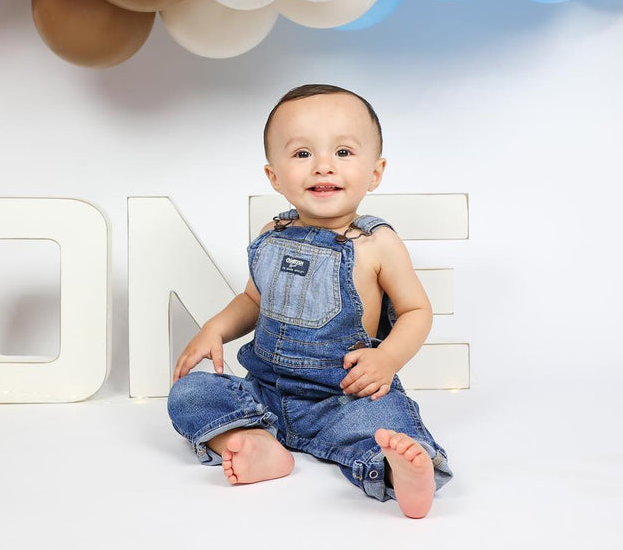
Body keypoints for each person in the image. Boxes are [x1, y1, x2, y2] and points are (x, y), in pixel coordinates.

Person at [166, 84, 452, 518]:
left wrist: (388, 358)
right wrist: (216, 328)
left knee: (387, 421)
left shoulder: (378, 243)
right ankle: (258, 443)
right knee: (188, 395)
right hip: (264, 392)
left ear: (376, 172)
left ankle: (399, 474)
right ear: (274, 176)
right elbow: (252, 298)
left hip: (342, 399)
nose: (322, 166)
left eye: (343, 152)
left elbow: (417, 311)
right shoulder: (271, 233)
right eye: (302, 154)